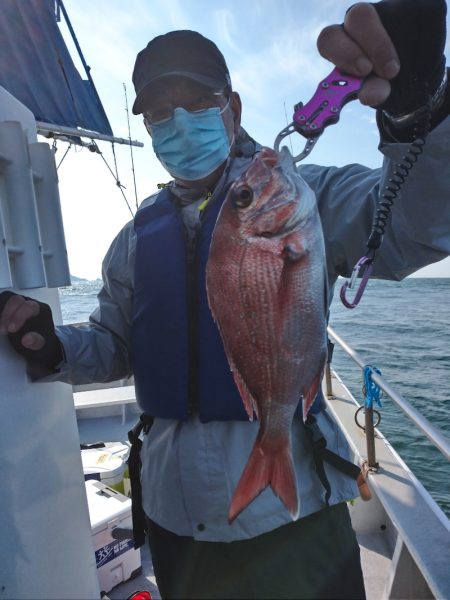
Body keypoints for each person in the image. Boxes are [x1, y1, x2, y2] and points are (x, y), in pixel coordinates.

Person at [1, 1, 449, 598]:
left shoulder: (300, 196)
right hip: (174, 515)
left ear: (232, 109)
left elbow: (416, 226)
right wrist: (53, 343)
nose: (179, 123)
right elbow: (113, 347)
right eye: (161, 113)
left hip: (292, 516)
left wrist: (418, 117)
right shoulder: (135, 238)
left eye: (196, 104)